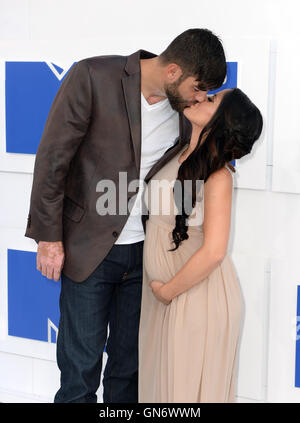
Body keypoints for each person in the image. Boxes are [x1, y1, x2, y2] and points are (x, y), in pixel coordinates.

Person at [24, 28, 227, 403]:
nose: (200, 98)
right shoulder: (93, 77)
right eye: (197, 87)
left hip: (145, 259)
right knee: (79, 374)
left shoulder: (185, 113)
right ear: (172, 72)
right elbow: (53, 160)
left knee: (129, 373)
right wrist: (48, 238)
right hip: (89, 253)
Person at [138, 87, 263, 403]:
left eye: (211, 100)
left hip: (193, 299)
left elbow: (215, 250)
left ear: (224, 121)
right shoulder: (177, 154)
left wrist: (168, 292)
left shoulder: (219, 176)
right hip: (161, 298)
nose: (200, 97)